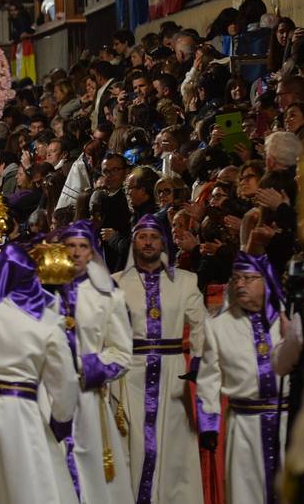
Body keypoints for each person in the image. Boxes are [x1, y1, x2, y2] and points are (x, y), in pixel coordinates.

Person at [0, 242, 79, 504]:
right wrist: (59, 423)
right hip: (19, 411)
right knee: (22, 484)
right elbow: (65, 383)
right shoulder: (46, 321)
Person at [114, 214, 207, 504]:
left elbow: (202, 324)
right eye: (142, 237)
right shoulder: (116, 284)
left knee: (174, 448)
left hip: (173, 374)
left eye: (154, 237)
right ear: (134, 242)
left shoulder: (185, 281)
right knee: (134, 444)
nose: (148, 242)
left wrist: (199, 362)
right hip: (131, 376)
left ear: (163, 242)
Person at [197, 254, 304, 504]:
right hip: (243, 426)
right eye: (236, 278)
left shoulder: (288, 320)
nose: (240, 284)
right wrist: (209, 423)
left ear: (266, 281)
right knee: (246, 493)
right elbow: (208, 378)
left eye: (249, 278)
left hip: (287, 422)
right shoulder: (218, 325)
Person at [57, 222, 136, 504]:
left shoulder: (107, 295)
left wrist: (83, 367)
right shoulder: (43, 293)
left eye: (83, 247)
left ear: (91, 253)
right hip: (48, 397)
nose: (76, 253)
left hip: (88, 398)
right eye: (70, 246)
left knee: (91, 468)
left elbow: (122, 353)